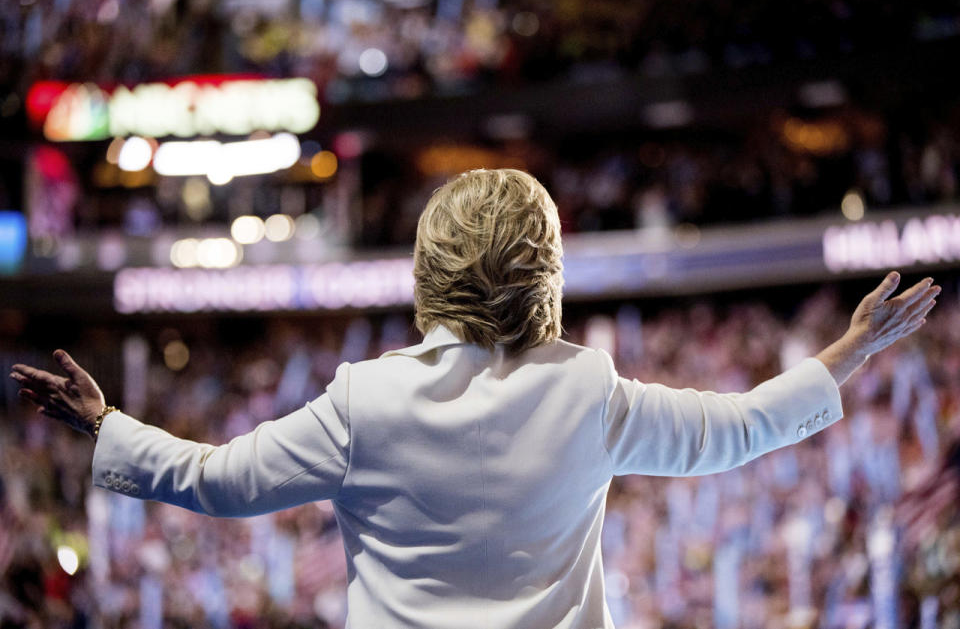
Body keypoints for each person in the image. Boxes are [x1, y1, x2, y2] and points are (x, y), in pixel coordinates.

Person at [10, 169, 940, 628]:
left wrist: (105, 425)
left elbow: (213, 483)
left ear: (429, 265)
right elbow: (743, 429)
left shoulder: (362, 400)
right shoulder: (586, 390)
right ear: (547, 268)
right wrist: (851, 347)